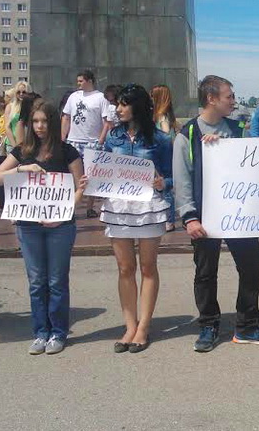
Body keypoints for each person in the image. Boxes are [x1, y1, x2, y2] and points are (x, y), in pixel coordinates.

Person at [173, 75, 259, 352]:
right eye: (229, 96)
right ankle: (208, 325)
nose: (234, 101)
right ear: (211, 99)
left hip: (239, 216)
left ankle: (247, 326)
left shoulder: (239, 129)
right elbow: (182, 179)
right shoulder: (188, 135)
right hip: (204, 218)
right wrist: (189, 217)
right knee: (206, 273)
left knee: (251, 268)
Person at [0, 101, 86, 355]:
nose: (40, 126)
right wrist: (22, 168)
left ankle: (58, 332)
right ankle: (40, 332)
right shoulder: (22, 151)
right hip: (28, 224)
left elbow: (79, 190)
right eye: (35, 121)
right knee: (36, 281)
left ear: (53, 123)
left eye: (44, 121)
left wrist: (62, 213)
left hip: (60, 226)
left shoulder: (67, 152)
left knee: (56, 281)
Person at [101, 85, 173, 354]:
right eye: (117, 104)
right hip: (118, 207)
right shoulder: (113, 137)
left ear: (137, 107)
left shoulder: (160, 139)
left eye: (123, 104)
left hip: (148, 208)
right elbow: (103, 168)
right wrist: (94, 181)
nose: (118, 109)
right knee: (124, 268)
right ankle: (129, 325)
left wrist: (162, 182)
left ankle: (143, 326)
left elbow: (172, 176)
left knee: (147, 267)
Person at [61, 69, 111, 218]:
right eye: (78, 81)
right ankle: (70, 207)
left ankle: (90, 207)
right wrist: (62, 137)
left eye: (81, 81)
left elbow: (106, 121)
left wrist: (101, 140)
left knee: (91, 177)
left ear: (89, 81)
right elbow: (66, 117)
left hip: (92, 142)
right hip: (74, 141)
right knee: (72, 175)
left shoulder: (100, 98)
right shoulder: (73, 97)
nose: (78, 84)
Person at [151, 84, 178, 232]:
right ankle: (168, 218)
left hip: (163, 153)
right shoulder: (167, 114)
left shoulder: (161, 116)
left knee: (165, 186)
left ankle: (169, 219)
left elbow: (166, 134)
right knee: (164, 185)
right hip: (166, 153)